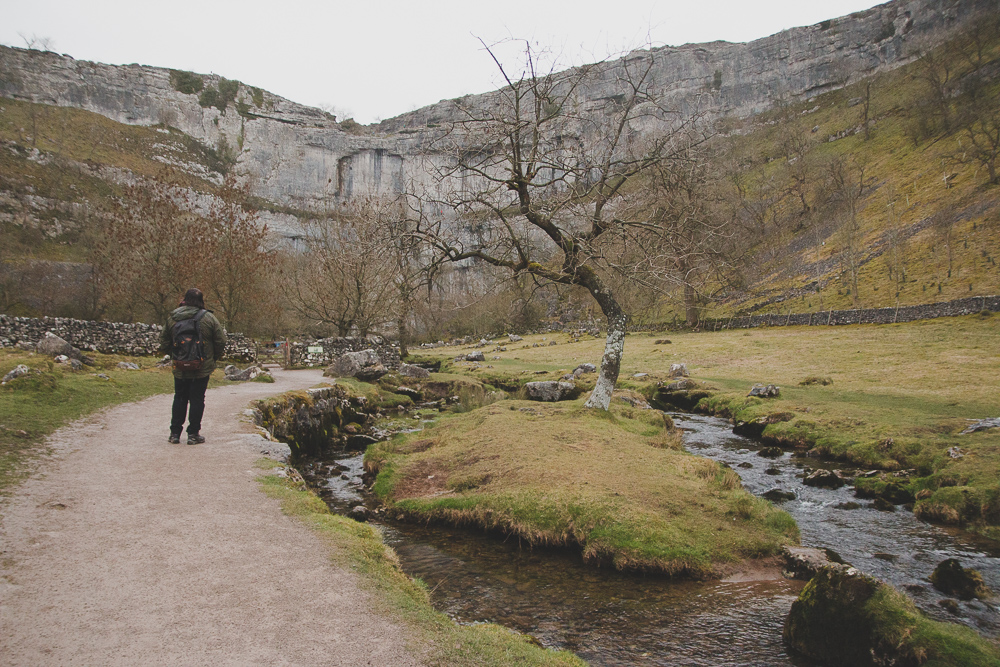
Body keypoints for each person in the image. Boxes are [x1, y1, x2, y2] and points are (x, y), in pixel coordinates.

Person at [159, 288, 227, 444]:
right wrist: (212, 358)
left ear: (185, 299)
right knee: (197, 399)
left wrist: (176, 355)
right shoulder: (208, 318)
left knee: (180, 397)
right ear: (201, 301)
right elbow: (221, 341)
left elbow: (163, 341)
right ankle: (193, 434)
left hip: (180, 368)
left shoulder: (173, 318)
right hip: (201, 367)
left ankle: (174, 434)